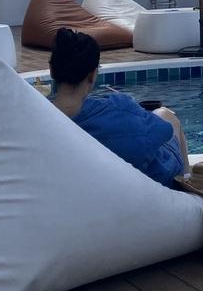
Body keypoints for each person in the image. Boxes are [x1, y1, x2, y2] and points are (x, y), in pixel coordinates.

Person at [48, 28, 188, 186]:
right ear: (92, 75)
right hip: (152, 182)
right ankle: (188, 183)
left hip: (89, 183)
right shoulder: (117, 108)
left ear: (52, 70)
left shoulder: (41, 119)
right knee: (166, 115)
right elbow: (164, 130)